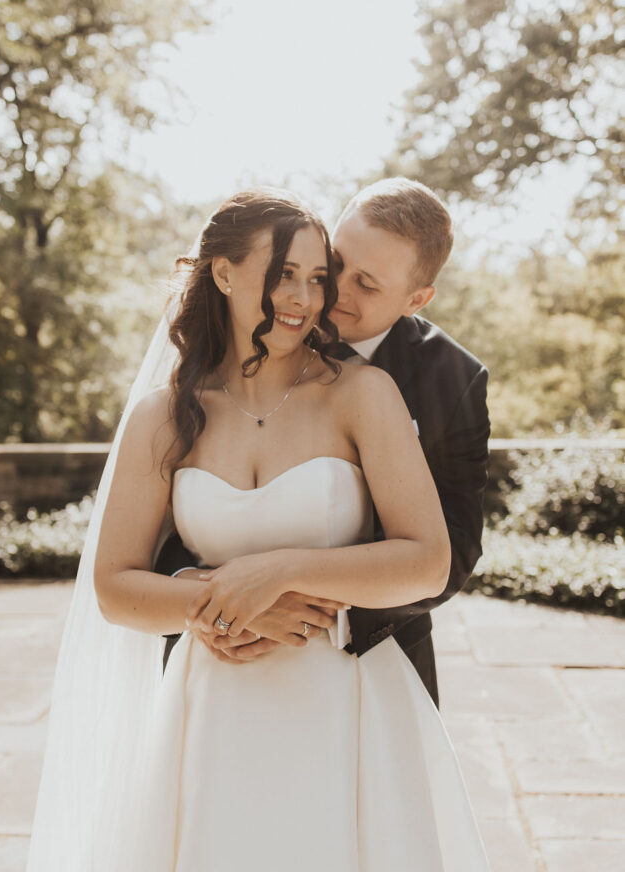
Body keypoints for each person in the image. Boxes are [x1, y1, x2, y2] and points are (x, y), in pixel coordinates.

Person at [27, 188, 490, 871]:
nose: (314, 298)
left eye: (323, 279)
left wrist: (278, 574)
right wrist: (213, 604)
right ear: (223, 273)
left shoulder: (379, 388)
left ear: (413, 298)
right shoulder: (164, 415)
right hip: (212, 691)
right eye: (294, 272)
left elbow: (435, 559)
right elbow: (114, 584)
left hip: (350, 682)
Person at [156, 177, 490, 710]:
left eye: (367, 284)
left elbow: (451, 551)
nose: (331, 294)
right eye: (334, 265)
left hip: (372, 659)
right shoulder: (256, 324)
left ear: (416, 298)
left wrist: (297, 600)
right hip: (214, 655)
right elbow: (174, 506)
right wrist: (207, 594)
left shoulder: (453, 379)